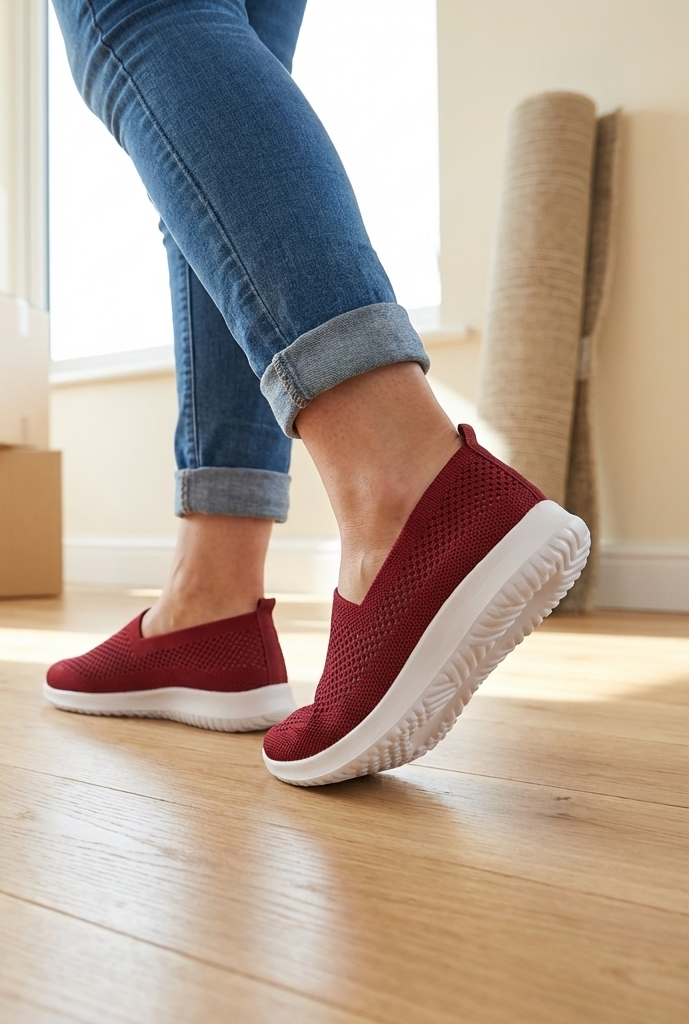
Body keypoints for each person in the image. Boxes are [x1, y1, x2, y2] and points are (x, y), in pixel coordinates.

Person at [42, 0, 590, 786]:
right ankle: (211, 598)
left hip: (418, 497)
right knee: (198, 144)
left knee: (135, 17)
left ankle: (398, 482)